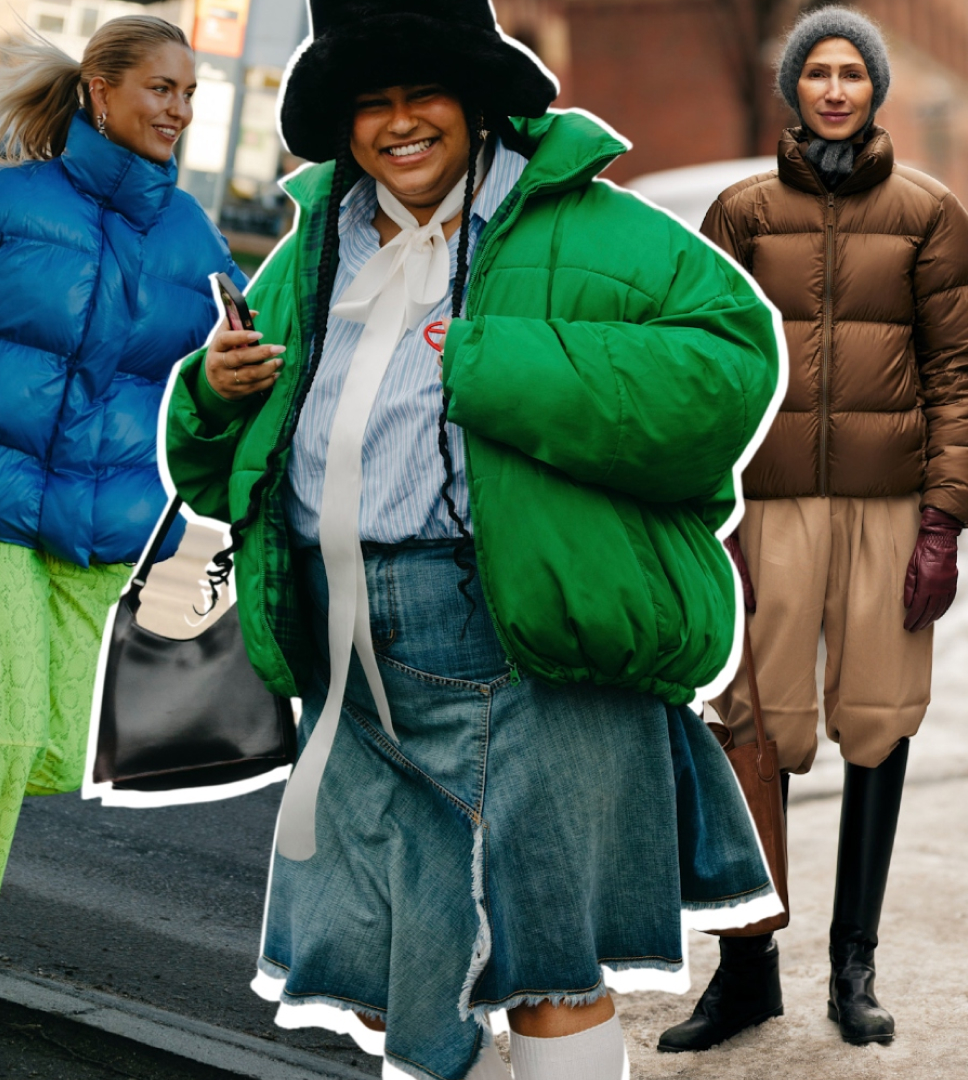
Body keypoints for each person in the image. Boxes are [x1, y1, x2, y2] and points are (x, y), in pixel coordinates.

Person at [165, 1, 784, 1077]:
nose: (398, 123)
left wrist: (494, 362)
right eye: (370, 104)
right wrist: (212, 398)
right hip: (352, 660)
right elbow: (223, 471)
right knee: (391, 980)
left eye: (421, 95)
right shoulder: (318, 243)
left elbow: (732, 377)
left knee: (547, 967)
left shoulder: (595, 227)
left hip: (521, 635)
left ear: (477, 101)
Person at [0, 14, 245, 1069]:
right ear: (98, 89)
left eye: (191, 92)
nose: (179, 108)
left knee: (60, 745)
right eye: (162, 88)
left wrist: (224, 401)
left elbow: (219, 390)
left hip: (108, 528)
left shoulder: (194, 241)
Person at [658, 6, 968, 1055]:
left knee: (879, 719)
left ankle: (855, 968)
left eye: (853, 74)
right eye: (818, 73)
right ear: (796, 87)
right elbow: (703, 371)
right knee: (756, 725)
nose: (835, 89)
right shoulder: (740, 212)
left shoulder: (930, 212)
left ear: (874, 88)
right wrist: (714, 514)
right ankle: (748, 971)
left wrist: (944, 524)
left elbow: (957, 377)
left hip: (888, 506)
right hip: (768, 507)